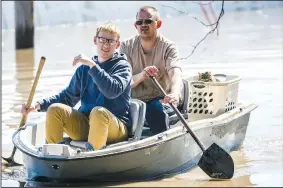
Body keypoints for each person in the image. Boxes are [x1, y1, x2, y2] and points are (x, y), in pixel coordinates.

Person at [21, 22, 132, 151]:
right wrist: (37, 105)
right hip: (87, 124)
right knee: (55, 109)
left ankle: (92, 158)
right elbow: (67, 98)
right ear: (95, 40)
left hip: (115, 127)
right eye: (102, 40)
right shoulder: (84, 69)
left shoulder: (123, 67)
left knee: (98, 112)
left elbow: (112, 91)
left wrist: (92, 65)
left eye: (111, 41)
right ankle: (54, 155)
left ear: (117, 44)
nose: (106, 44)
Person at [119, 6, 183, 135]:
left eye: (148, 21)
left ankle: (163, 147)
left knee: (154, 109)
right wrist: (142, 75)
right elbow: (125, 82)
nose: (143, 25)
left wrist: (175, 93)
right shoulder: (126, 46)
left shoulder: (168, 47)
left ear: (158, 24)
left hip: (160, 99)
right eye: (139, 22)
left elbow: (175, 73)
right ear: (135, 26)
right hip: (134, 101)